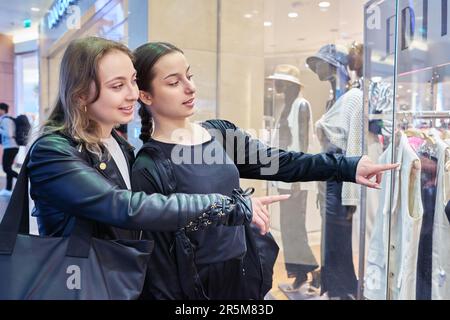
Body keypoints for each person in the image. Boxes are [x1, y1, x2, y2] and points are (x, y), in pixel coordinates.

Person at [131, 42, 399, 300]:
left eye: (189, 76)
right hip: (197, 286)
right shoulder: (149, 165)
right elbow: (161, 262)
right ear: (145, 95)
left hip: (245, 272)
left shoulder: (219, 134)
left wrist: (348, 166)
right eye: (174, 82)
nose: (190, 88)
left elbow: (282, 162)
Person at [27, 37, 284, 298]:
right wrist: (227, 207)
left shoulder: (117, 143)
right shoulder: (52, 152)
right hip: (81, 284)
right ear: (81, 93)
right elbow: (124, 206)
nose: (132, 94)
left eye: (133, 80)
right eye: (117, 85)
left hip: (119, 281)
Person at [267, 65, 320, 295]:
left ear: (289, 83)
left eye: (280, 81)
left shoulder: (301, 105)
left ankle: (312, 271)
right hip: (284, 177)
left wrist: (298, 175)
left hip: (295, 177)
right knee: (289, 228)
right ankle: (299, 273)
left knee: (295, 227)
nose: (276, 85)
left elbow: (303, 142)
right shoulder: (285, 107)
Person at [0, 102, 19, 197]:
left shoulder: (5, 120)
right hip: (11, 146)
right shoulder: (6, 119)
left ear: (2, 110)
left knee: (6, 168)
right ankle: (8, 189)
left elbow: (9, 134)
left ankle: (21, 179)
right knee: (8, 168)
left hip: (10, 146)